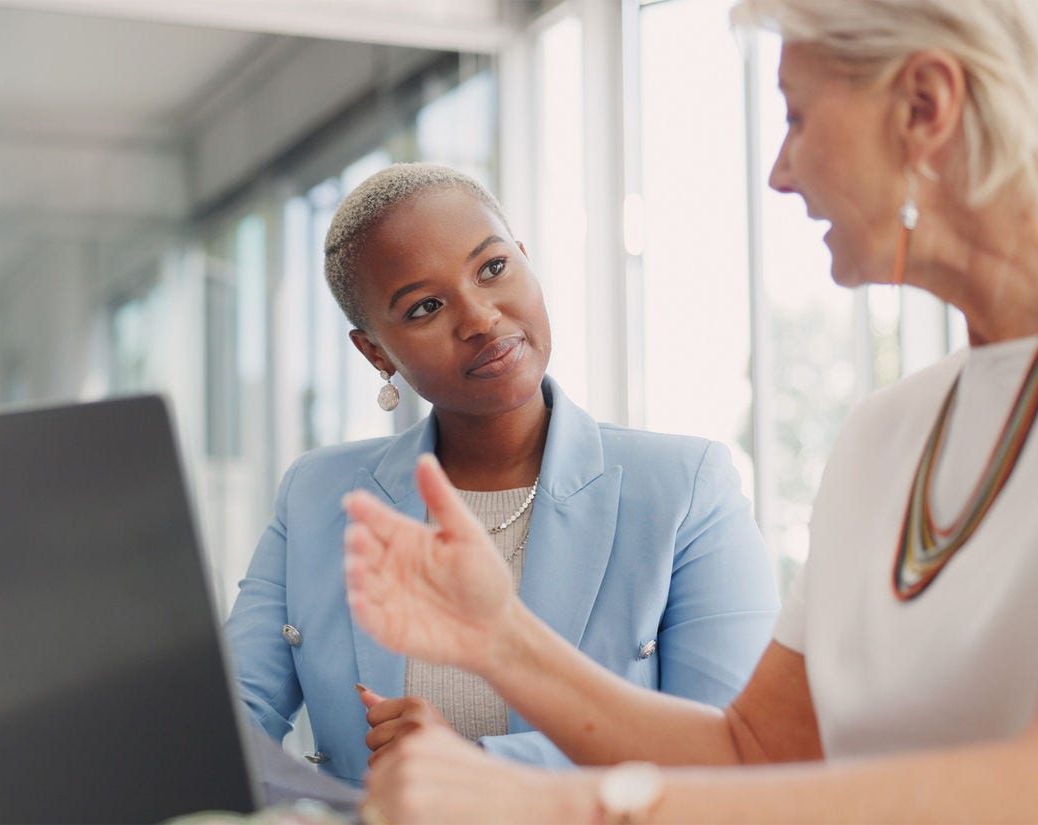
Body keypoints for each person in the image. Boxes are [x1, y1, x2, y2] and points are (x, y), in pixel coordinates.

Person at [341, 1, 1038, 822]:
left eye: (798, 117)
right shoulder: (882, 437)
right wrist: (500, 636)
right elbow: (756, 755)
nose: (781, 170)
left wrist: (570, 803)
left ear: (924, 105)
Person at [223, 162, 778, 787]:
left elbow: (740, 759)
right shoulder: (319, 494)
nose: (480, 318)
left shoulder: (684, 487)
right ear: (376, 351)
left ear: (524, 256)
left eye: (492, 268)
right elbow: (225, 729)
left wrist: (482, 768)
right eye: (425, 306)